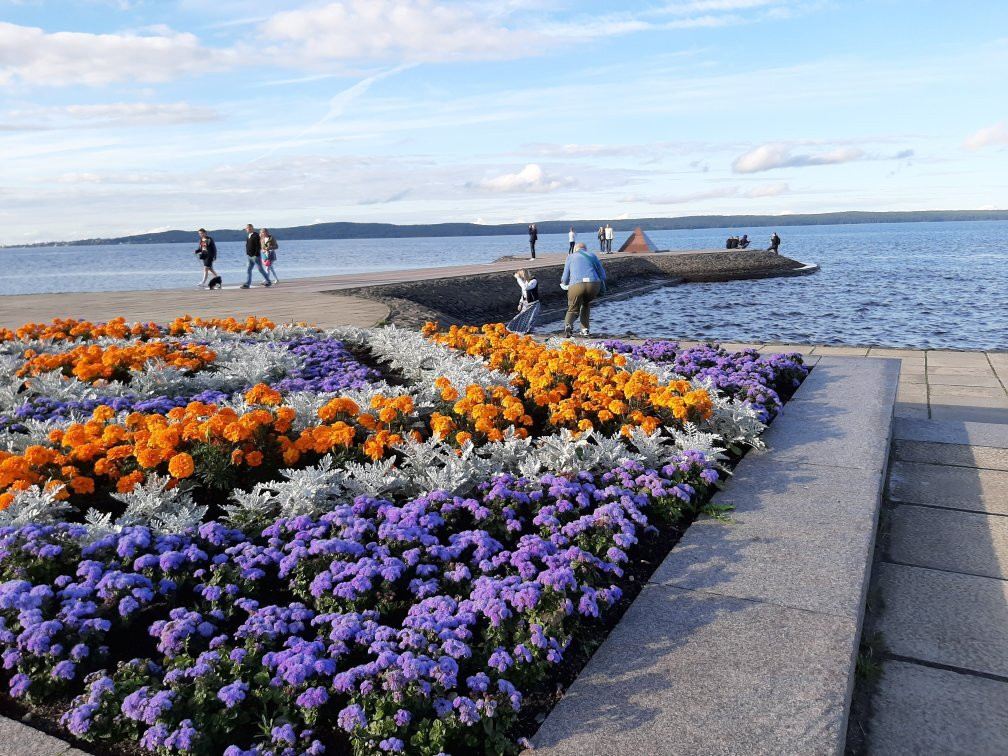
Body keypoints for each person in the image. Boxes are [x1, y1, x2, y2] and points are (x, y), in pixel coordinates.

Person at [560, 242, 606, 338]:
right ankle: (585, 330)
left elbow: (564, 278)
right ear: (585, 249)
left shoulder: (570, 257)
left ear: (575, 249)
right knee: (585, 303)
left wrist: (564, 284)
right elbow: (603, 275)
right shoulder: (593, 256)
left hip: (577, 285)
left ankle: (568, 325)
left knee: (573, 308)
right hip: (593, 285)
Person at [506, 268, 540, 334]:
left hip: (534, 304)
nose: (521, 277)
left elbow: (525, 287)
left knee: (531, 319)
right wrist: (520, 303)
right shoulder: (525, 282)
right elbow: (523, 294)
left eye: (521, 275)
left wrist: (518, 279)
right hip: (525, 304)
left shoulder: (533, 281)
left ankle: (528, 332)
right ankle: (513, 329)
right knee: (520, 317)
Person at [242, 223, 271, 288]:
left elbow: (258, 246)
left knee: (260, 270)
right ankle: (247, 284)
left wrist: (256, 254)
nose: (246, 230)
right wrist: (247, 253)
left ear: (250, 228)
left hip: (255, 256)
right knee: (248, 270)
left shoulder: (256, 235)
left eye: (246, 228)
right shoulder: (248, 236)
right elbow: (247, 245)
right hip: (249, 256)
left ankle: (268, 281)